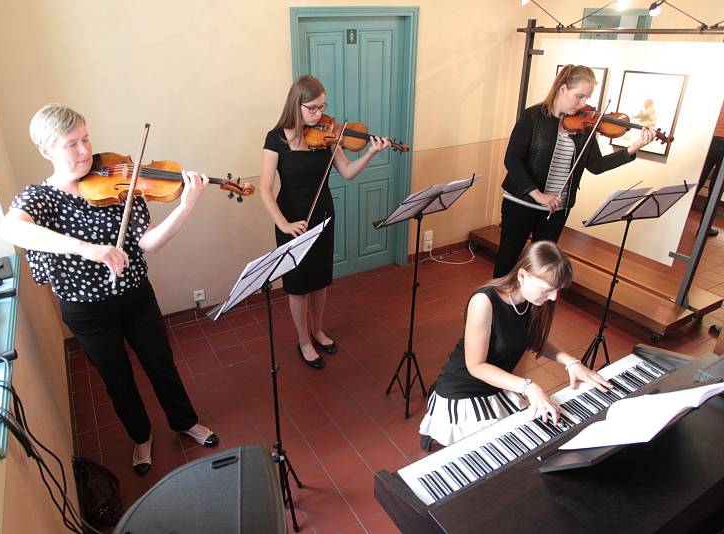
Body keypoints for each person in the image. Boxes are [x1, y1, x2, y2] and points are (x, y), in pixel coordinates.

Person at [0, 104, 218, 475]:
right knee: (117, 379)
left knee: (161, 364)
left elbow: (147, 243)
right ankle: (141, 437)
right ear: (46, 150)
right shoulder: (40, 197)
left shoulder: (118, 182)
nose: (85, 151)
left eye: (86, 139)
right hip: (86, 311)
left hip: (135, 296)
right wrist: (87, 248)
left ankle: (184, 421)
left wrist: (185, 207)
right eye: (72, 144)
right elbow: (10, 230)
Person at [419, 241, 612, 448]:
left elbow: (532, 338)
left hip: (497, 385)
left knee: (534, 435)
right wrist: (528, 387)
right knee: (500, 451)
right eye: (548, 289)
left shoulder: (534, 301)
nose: (554, 297)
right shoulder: (484, 301)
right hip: (463, 389)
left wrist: (571, 363)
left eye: (558, 290)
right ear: (522, 276)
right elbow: (476, 366)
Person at [259, 75, 390, 368]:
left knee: (320, 280)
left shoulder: (327, 135)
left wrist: (370, 152)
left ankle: (318, 329)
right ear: (298, 105)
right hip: (291, 220)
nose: (320, 114)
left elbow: (347, 172)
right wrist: (283, 224)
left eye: (323, 107)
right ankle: (304, 340)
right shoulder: (276, 139)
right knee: (297, 285)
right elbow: (265, 188)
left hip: (323, 215)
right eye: (314, 108)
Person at [494, 64, 657, 278]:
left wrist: (632, 149)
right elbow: (512, 159)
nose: (583, 104)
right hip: (521, 203)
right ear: (562, 89)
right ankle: (498, 307)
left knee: (543, 269)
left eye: (587, 98)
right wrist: (538, 195)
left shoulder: (584, 128)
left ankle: (532, 308)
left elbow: (597, 166)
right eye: (579, 96)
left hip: (556, 209)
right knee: (508, 260)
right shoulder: (533, 117)